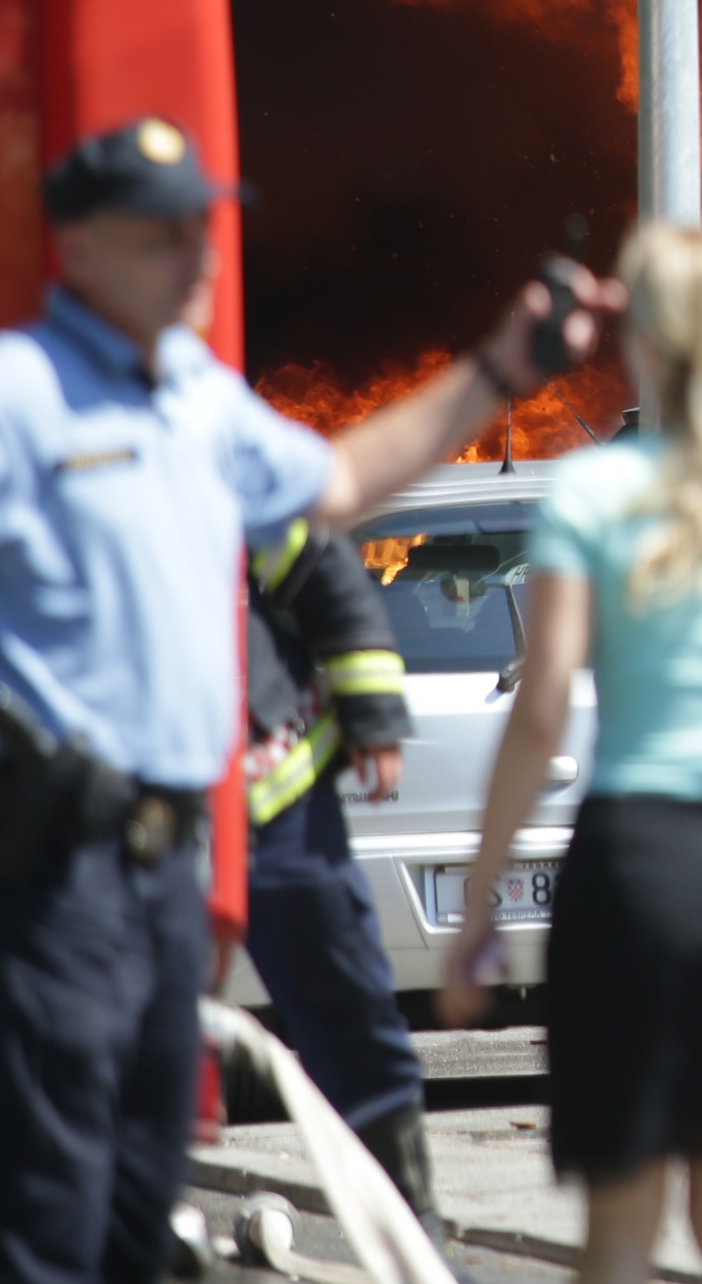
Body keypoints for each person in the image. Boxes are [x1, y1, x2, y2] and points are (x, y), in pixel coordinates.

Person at [0, 116, 615, 1284]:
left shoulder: (197, 396)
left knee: (138, 1209)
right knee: (46, 1213)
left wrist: (499, 370)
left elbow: (337, 483)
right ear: (78, 248)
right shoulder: (8, 399)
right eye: (164, 234)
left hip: (164, 874)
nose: (202, 256)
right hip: (41, 881)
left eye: (208, 227)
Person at [443, 215, 702, 1284]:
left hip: (634, 874)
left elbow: (541, 708)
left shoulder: (590, 492)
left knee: (620, 1233)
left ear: (645, 344)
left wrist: (479, 903)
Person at [239, 515, 436, 1231]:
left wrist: (375, 713)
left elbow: (322, 565)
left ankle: (414, 1248)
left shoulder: (211, 435)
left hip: (277, 799)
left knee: (355, 1031)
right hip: (119, 807)